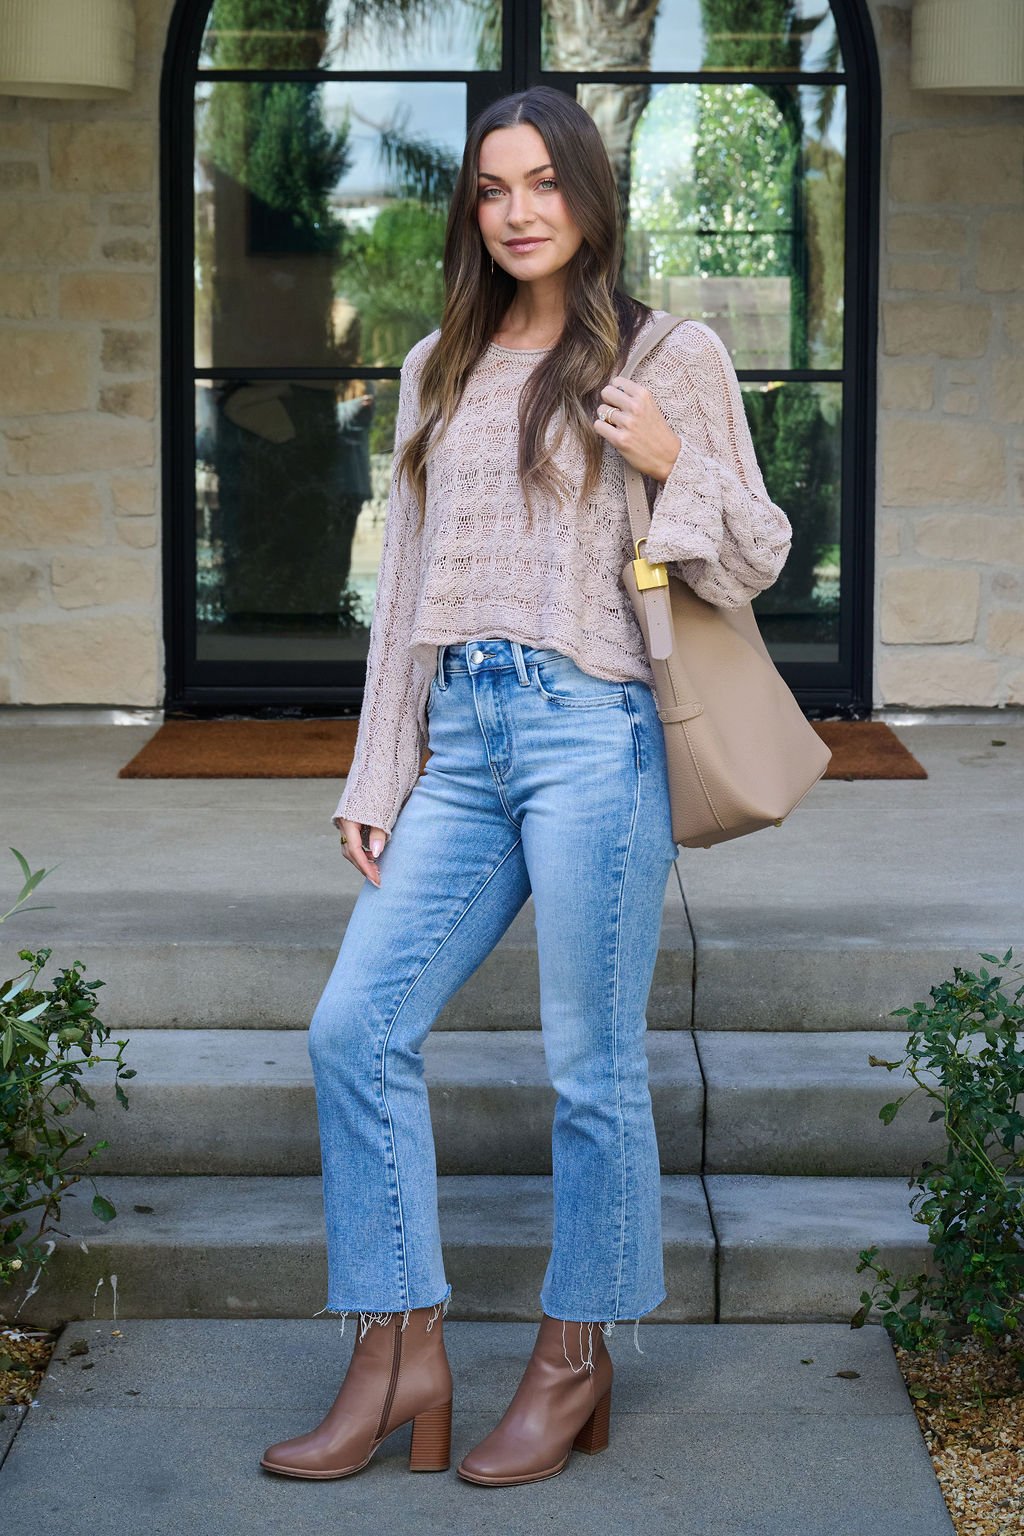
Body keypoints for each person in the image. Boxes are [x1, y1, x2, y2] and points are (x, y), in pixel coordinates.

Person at [260, 85, 792, 1488]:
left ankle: (573, 1353)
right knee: (352, 1026)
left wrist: (669, 462)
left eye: (543, 181)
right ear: (472, 208)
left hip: (592, 731)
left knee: (590, 1065)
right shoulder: (441, 359)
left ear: (589, 195)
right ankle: (399, 1345)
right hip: (462, 733)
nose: (517, 210)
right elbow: (404, 600)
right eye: (493, 188)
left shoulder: (670, 353)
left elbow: (755, 557)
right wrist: (381, 764)